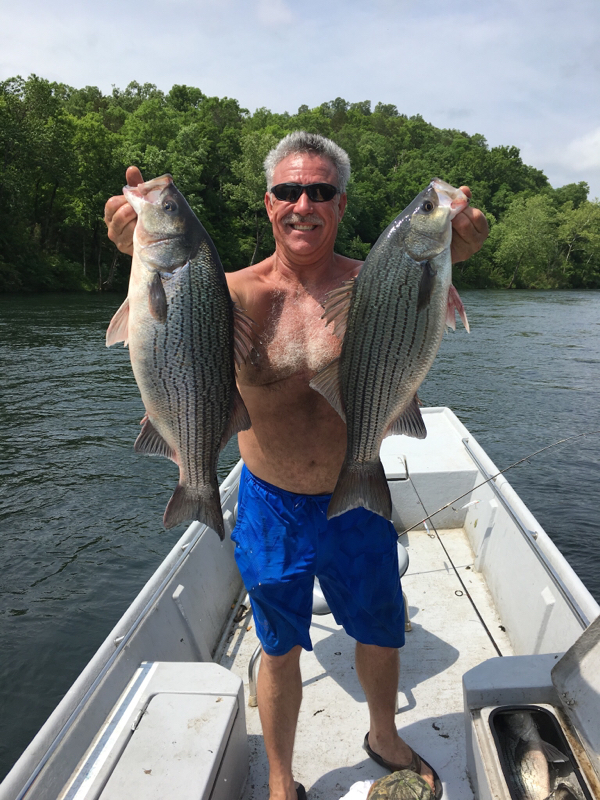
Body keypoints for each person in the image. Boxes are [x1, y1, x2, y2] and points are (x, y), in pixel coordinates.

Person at [104, 131, 488, 800]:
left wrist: (457, 253)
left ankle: (383, 733)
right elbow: (169, 335)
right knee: (278, 645)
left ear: (340, 204)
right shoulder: (224, 293)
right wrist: (133, 250)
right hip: (270, 501)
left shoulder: (380, 282)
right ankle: (282, 776)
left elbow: (423, 308)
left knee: (378, 625)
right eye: (287, 191)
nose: (302, 203)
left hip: (356, 484)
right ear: (268, 203)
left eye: (319, 191)